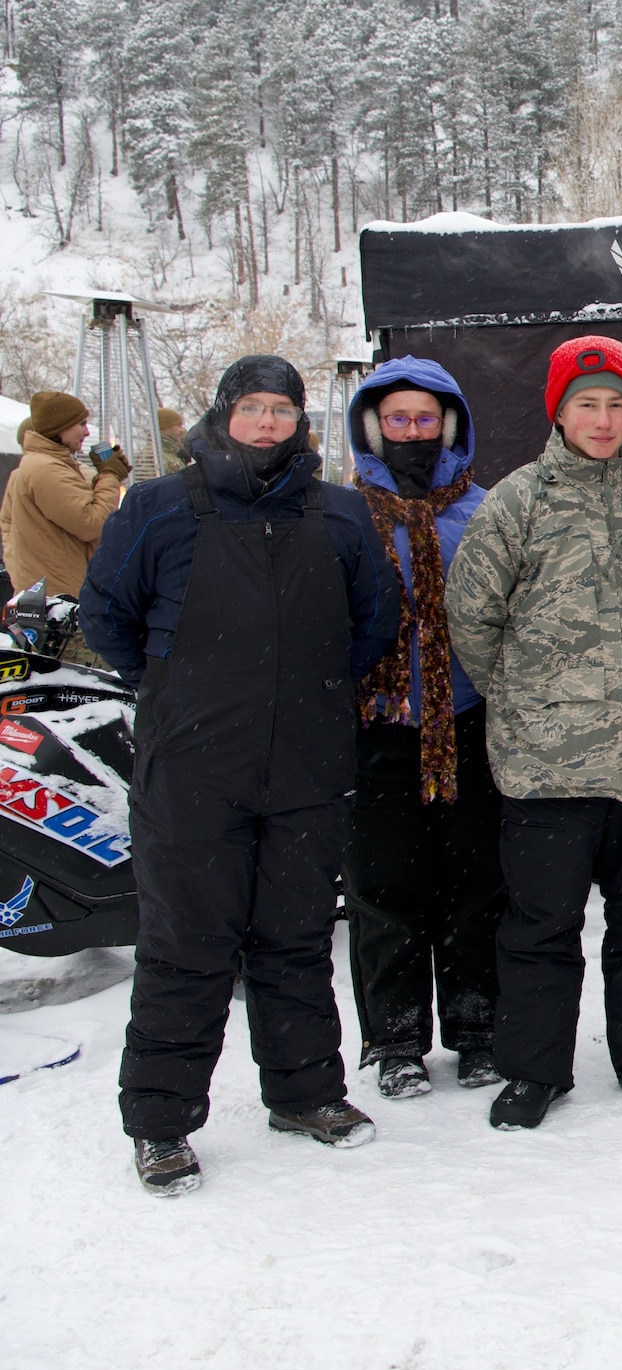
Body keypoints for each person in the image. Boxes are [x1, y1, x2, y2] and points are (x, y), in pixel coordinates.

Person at [81, 355, 403, 1197]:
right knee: (186, 947)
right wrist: (184, 693)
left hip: (304, 762)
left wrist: (306, 693)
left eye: (283, 411)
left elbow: (373, 624)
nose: (267, 424)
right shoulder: (155, 508)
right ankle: (160, 1123)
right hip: (192, 768)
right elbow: (107, 619)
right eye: (253, 408)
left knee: (295, 939)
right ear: (223, 415)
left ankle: (306, 1095)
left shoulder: (338, 515)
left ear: (302, 423)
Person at [445, 335, 622, 1130]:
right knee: (540, 927)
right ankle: (533, 1070)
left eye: (616, 403)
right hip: (548, 766)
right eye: (587, 404)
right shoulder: (516, 503)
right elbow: (474, 617)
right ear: (558, 411)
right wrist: (535, 701)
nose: (603, 419)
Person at [343, 358, 503, 1100]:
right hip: (375, 732)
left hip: (468, 725)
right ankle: (395, 1038)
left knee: (474, 887)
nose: (413, 432)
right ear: (374, 428)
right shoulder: (340, 514)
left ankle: (477, 1029)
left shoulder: (484, 510)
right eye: (398, 420)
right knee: (386, 891)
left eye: (426, 419)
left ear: (451, 425)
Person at [2, 390, 129, 664]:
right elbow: (92, 523)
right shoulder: (45, 469)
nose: (86, 432)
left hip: (48, 600)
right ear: (60, 427)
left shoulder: (53, 466)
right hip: (58, 608)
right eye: (81, 424)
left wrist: (102, 478)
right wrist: (109, 475)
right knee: (84, 686)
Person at [157, 408, 190, 474]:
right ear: (165, 428)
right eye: (178, 426)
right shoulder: (156, 458)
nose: (182, 430)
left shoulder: (172, 454)